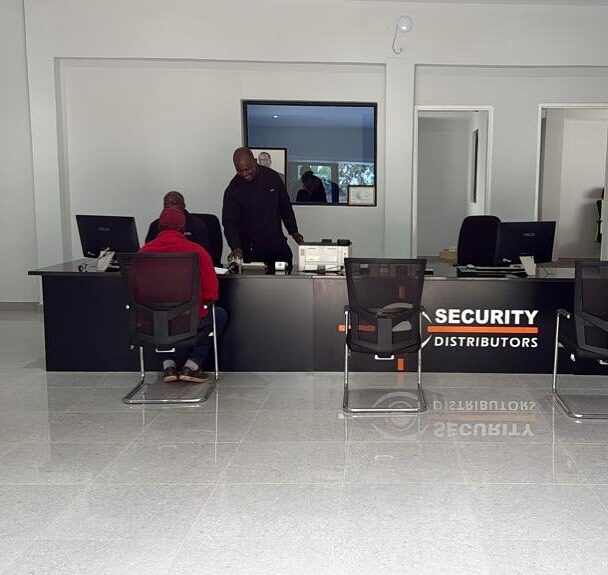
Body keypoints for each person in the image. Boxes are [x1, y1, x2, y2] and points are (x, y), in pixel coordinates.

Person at [139, 206, 227, 384]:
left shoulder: (143, 253)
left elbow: (135, 291)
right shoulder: (198, 252)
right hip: (190, 321)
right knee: (219, 315)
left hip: (155, 321)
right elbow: (212, 293)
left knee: (156, 319)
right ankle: (192, 366)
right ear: (183, 227)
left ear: (159, 226)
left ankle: (168, 366)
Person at [222, 147, 304, 268]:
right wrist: (236, 247)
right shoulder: (233, 189)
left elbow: (284, 206)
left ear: (254, 162)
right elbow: (229, 223)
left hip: (276, 244)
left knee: (286, 275)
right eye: (239, 171)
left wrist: (293, 231)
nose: (244, 174)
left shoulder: (272, 177)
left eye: (247, 169)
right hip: (251, 249)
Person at [145, 191, 210, 251]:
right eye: (166, 204)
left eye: (173, 204)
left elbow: (202, 250)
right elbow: (147, 252)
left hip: (187, 258)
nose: (169, 206)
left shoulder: (197, 224)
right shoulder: (155, 225)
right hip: (162, 258)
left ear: (183, 206)